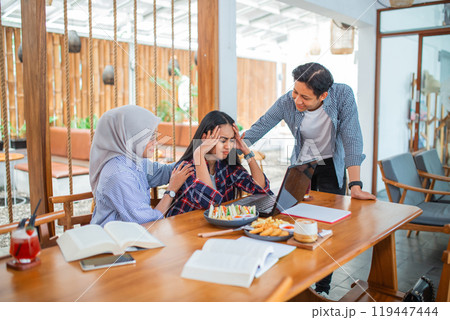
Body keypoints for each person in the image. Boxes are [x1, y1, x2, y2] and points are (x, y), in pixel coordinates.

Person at [244, 62, 376, 297]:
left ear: (324, 95)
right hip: (302, 167)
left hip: (330, 167)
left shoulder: (343, 95)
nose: (296, 100)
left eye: (305, 97)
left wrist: (355, 185)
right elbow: (262, 125)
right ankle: (297, 281)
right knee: (295, 220)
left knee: (328, 228)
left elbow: (352, 137)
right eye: (295, 92)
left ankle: (322, 289)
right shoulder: (288, 100)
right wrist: (230, 148)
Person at [90, 105, 193, 226]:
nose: (156, 142)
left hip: (132, 234)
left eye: (155, 136)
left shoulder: (133, 160)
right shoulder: (118, 175)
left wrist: (195, 156)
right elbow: (148, 222)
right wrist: (171, 190)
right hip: (115, 240)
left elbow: (162, 172)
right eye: (149, 137)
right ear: (129, 137)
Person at [166, 110, 271, 216]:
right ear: (205, 138)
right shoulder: (186, 168)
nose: (228, 146)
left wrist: (246, 151)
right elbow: (209, 204)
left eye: (231, 140)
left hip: (214, 227)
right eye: (223, 140)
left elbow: (261, 189)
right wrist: (199, 153)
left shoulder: (225, 166)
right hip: (184, 228)